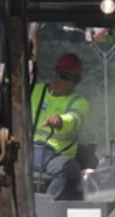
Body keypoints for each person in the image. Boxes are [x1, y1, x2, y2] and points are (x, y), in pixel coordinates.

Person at [30, 52, 90, 199]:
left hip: (56, 157)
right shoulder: (35, 91)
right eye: (66, 77)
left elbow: (74, 118)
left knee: (68, 169)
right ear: (54, 73)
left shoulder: (79, 102)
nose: (69, 83)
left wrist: (60, 121)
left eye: (75, 80)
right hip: (28, 152)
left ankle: (47, 205)